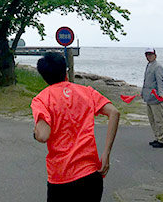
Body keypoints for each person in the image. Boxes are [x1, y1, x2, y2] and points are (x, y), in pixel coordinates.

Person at [32, 51, 120, 201]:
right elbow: (114, 113)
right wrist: (106, 153)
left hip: (61, 177)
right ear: (65, 71)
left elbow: (43, 135)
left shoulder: (41, 100)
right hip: (90, 174)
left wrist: (35, 132)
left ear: (44, 77)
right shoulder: (86, 92)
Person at [142, 47, 163, 148]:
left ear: (155, 55)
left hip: (156, 97)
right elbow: (146, 81)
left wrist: (161, 95)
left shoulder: (158, 67)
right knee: (152, 119)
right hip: (149, 96)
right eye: (147, 55)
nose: (149, 56)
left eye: (150, 54)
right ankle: (158, 137)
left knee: (159, 119)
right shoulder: (149, 65)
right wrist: (143, 93)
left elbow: (160, 82)